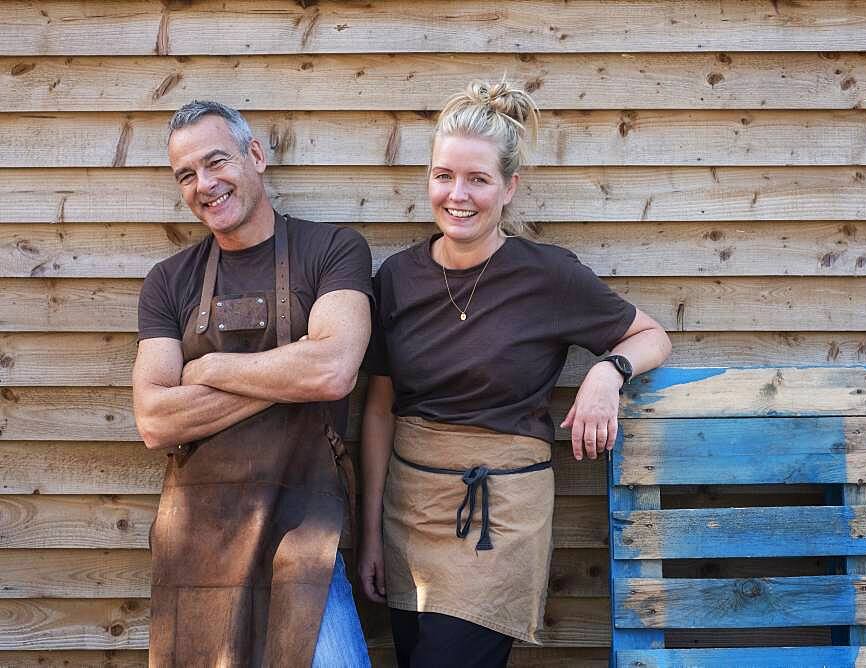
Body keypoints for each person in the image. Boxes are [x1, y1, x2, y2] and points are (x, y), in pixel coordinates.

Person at [357, 81, 672, 667]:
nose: (458, 195)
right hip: (410, 509)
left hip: (497, 518)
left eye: (477, 179)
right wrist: (370, 529)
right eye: (443, 175)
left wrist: (608, 371)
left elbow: (652, 335)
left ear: (509, 188)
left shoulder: (548, 275)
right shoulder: (395, 280)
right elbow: (379, 410)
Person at [132, 100, 373, 667]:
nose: (204, 184)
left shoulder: (332, 249)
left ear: (256, 156)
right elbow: (155, 419)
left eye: (217, 162)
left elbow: (333, 369)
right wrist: (291, 372)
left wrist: (213, 370)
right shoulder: (168, 282)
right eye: (186, 175)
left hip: (303, 526)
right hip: (200, 537)